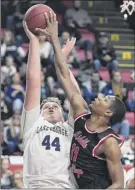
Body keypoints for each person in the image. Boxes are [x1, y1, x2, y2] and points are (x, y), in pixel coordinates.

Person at [36, 11, 126, 189]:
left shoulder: (109, 142)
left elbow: (118, 184)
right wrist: (54, 39)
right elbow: (63, 73)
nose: (99, 97)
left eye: (105, 99)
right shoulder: (80, 113)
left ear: (108, 113)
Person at [21, 19, 80, 188]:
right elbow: (33, 81)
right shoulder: (32, 124)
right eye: (46, 106)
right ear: (38, 113)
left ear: (64, 114)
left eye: (55, 106)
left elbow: (75, 95)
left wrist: (61, 61)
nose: (51, 106)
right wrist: (34, 41)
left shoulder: (71, 128)